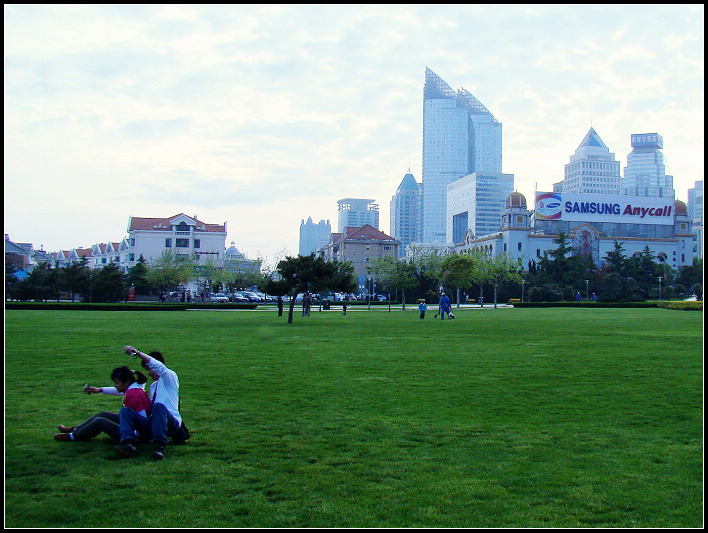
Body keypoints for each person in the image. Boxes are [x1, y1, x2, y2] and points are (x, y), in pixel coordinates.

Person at [115, 346, 185, 460]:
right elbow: (126, 390)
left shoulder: (169, 376)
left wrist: (138, 353)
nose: (148, 373)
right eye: (146, 370)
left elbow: (159, 367)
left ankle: (160, 446)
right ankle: (129, 444)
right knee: (125, 411)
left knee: (158, 407)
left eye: (149, 369)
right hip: (154, 423)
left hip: (171, 423)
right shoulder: (153, 386)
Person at [54, 366, 150, 443]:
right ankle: (76, 429)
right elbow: (119, 391)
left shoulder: (132, 394)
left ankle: (72, 436)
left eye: (117, 383)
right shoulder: (136, 389)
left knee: (100, 421)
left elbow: (142, 417)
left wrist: (135, 434)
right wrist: (99, 390)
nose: (115, 386)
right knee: (103, 414)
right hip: (139, 429)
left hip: (136, 435)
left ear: (126, 382)